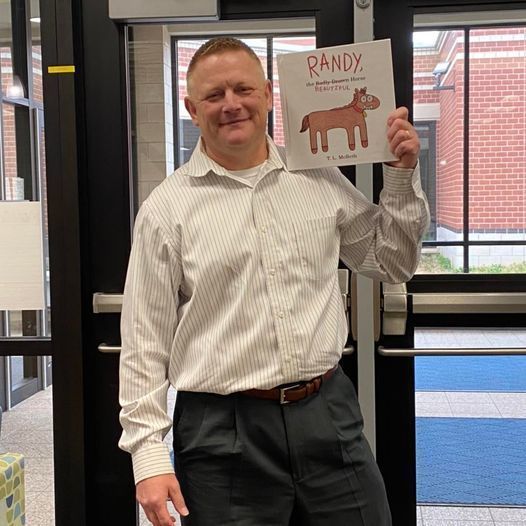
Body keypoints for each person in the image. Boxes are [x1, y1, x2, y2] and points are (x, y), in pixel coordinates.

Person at [119, 37, 430, 526]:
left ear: (267, 94)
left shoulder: (319, 178)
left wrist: (401, 175)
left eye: (243, 89)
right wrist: (148, 457)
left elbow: (389, 262)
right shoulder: (165, 211)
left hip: (327, 412)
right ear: (192, 110)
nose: (231, 104)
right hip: (220, 430)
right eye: (214, 95)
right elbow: (143, 341)